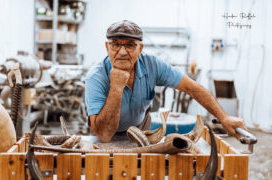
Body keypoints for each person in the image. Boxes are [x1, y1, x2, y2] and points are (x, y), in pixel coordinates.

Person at [85, 20, 246, 142]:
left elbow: (193, 88)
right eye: (116, 45)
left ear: (140, 49)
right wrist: (116, 87)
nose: (122, 52)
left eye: (129, 45)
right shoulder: (96, 77)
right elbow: (104, 134)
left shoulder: (152, 65)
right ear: (107, 47)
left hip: (140, 132)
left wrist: (224, 118)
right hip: (104, 137)